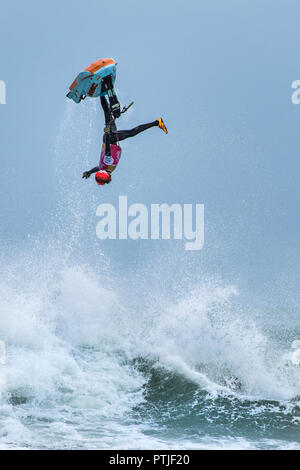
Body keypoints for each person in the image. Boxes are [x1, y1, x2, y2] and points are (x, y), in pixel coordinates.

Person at [82, 95, 168, 185]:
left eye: (106, 181)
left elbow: (107, 149)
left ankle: (157, 122)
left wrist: (107, 133)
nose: (108, 182)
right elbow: (98, 168)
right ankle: (102, 93)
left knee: (132, 132)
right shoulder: (104, 168)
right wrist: (89, 172)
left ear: (105, 175)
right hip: (109, 138)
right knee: (107, 114)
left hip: (110, 139)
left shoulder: (107, 164)